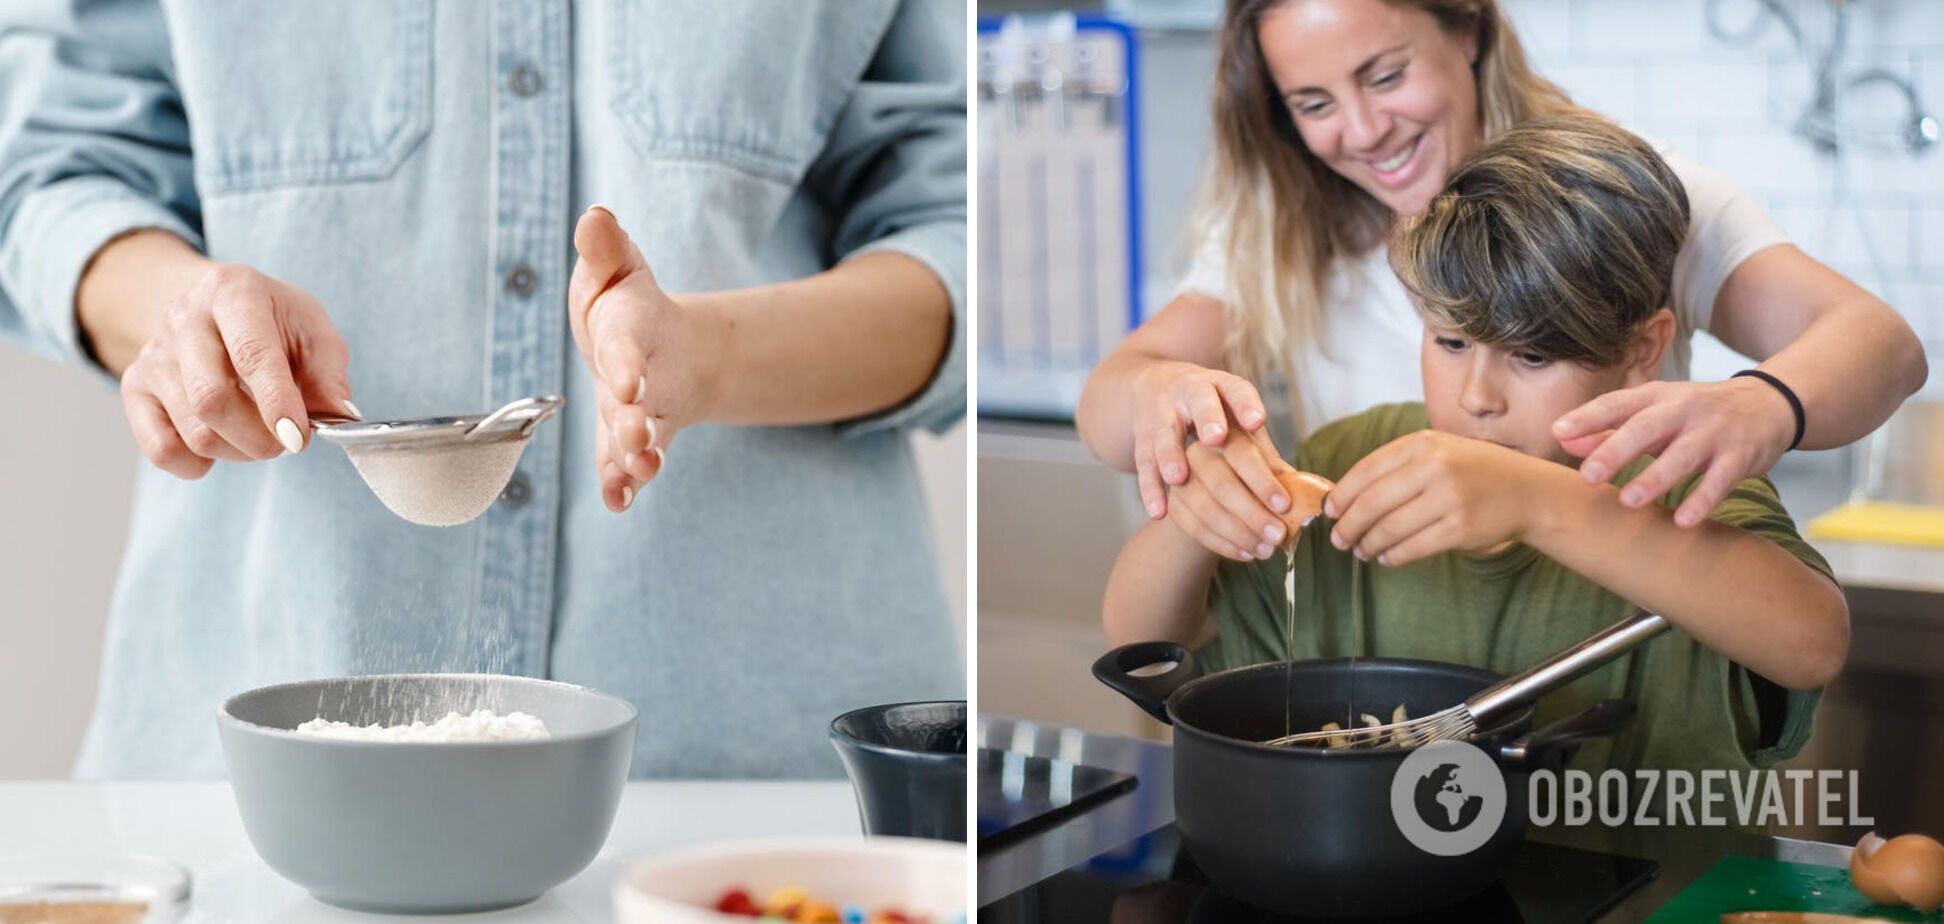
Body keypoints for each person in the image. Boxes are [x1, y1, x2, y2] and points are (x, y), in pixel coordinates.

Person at [0, 2, 964, 778]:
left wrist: (711, 358)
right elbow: (45, 169)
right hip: (256, 785)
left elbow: (958, 223)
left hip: (748, 789)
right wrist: (185, 312)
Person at [1103, 114, 1849, 778]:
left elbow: (1812, 642)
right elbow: (1143, 639)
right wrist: (1196, 500)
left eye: (1531, 357)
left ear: (1643, 348)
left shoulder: (1682, 479)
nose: (1476, 396)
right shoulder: (1354, 454)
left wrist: (1539, 505)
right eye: (1450, 341)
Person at [1077, 0, 1924, 567]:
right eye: (1314, 103)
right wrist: (1163, 395)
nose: (1365, 131)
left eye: (1383, 75)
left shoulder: (1627, 198)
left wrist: (1763, 403)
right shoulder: (1281, 231)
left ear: (1469, 32)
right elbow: (1111, 403)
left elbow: (1883, 346)